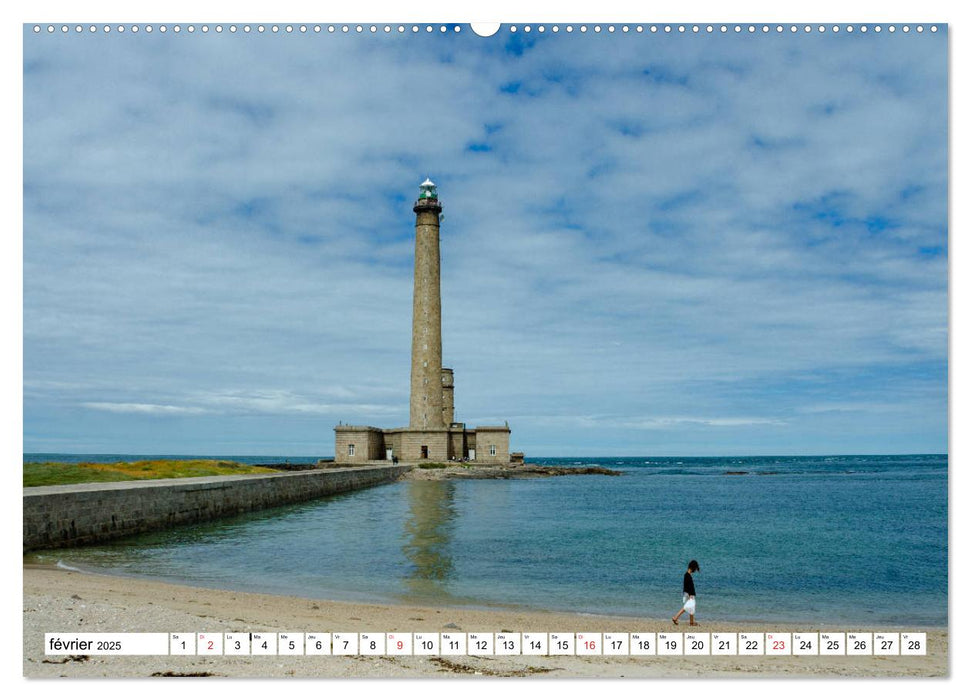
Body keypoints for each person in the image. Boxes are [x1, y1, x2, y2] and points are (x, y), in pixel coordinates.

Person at [672, 560, 700, 626]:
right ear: (693, 567)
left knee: (692, 607)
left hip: (689, 594)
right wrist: (689, 595)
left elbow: (687, 586)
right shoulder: (687, 575)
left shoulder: (688, 575)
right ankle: (675, 617)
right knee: (687, 607)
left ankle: (691, 622)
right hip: (690, 594)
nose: (695, 570)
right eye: (695, 569)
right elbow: (687, 586)